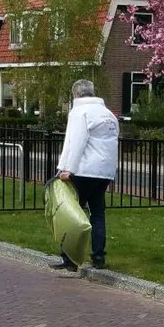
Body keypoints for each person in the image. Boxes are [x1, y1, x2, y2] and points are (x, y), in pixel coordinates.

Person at [49, 79, 119, 271]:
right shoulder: (108, 115)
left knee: (71, 212)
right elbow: (112, 143)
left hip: (83, 170)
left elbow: (75, 142)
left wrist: (66, 168)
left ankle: (70, 258)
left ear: (76, 95)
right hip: (104, 172)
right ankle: (98, 257)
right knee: (97, 214)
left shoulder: (79, 112)